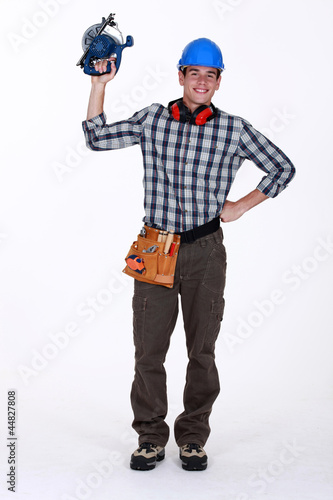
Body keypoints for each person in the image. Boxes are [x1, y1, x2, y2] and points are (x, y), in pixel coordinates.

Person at [82, 38, 295, 472]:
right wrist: (100, 84)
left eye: (210, 75)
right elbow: (97, 138)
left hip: (205, 252)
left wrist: (239, 206)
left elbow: (283, 167)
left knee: (202, 351)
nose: (201, 81)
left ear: (218, 82)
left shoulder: (234, 129)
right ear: (180, 76)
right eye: (193, 72)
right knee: (149, 351)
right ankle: (150, 438)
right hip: (155, 248)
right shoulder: (153, 120)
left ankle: (194, 437)